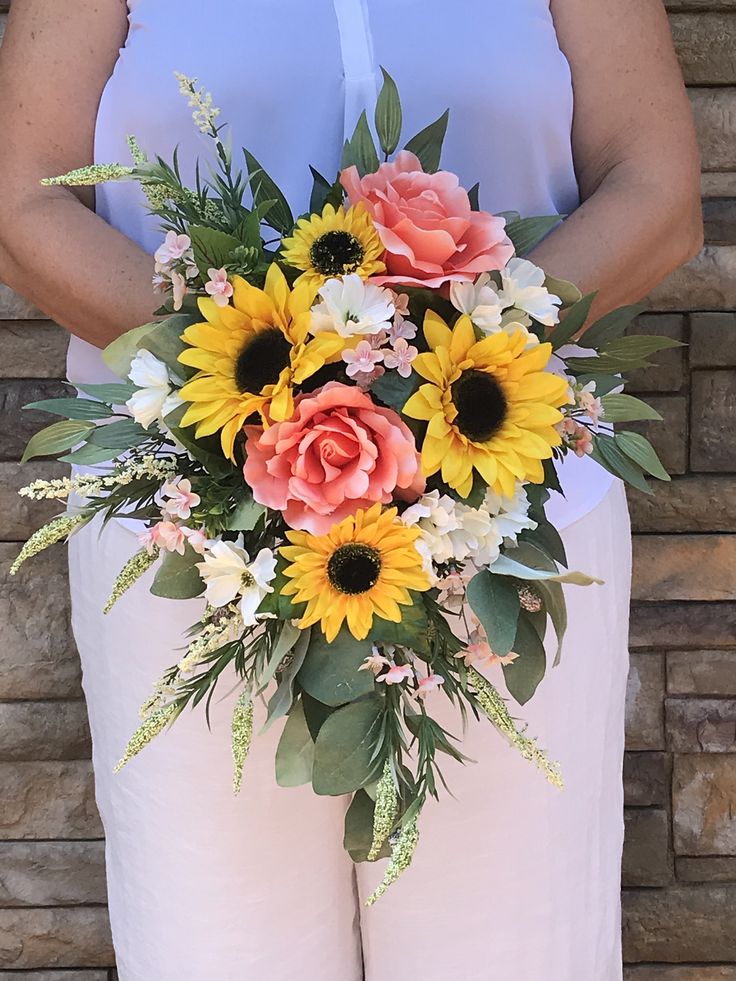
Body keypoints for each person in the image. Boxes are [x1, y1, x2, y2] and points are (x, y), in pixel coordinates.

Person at [0, 2, 702, 979]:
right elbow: (23, 204)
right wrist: (269, 370)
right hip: (192, 533)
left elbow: (657, 187)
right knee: (218, 949)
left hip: (505, 515)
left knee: (510, 954)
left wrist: (454, 371)